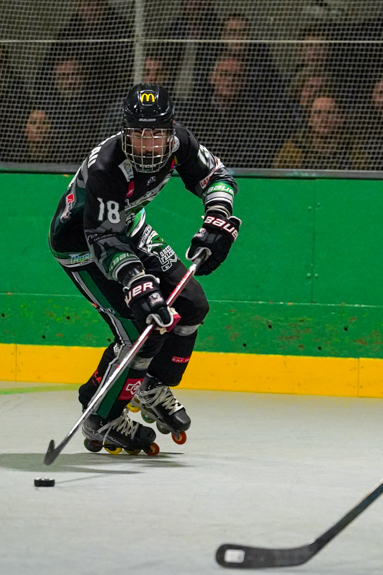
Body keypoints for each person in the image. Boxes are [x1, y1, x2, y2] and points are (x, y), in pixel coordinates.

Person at [48, 83, 241, 454]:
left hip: (130, 226)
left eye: (157, 134)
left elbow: (218, 177)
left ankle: (148, 384)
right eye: (139, 135)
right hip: (83, 246)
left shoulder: (180, 142)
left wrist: (217, 217)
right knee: (143, 328)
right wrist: (136, 281)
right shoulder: (107, 166)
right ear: (125, 131)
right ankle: (101, 415)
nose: (149, 144)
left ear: (170, 130)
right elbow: (104, 237)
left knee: (192, 305)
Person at [273, 94, 368, 170]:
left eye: (330, 113)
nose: (324, 119)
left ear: (341, 119)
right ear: (310, 120)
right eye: (318, 113)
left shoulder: (351, 145)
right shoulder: (296, 145)